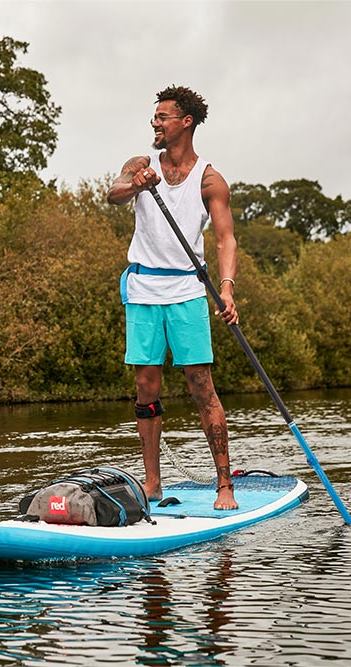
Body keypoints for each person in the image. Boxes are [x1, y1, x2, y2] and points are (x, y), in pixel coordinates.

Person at [107, 85, 239, 510]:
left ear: (185, 122)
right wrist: (137, 185)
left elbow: (225, 240)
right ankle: (152, 484)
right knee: (145, 386)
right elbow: (114, 193)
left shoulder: (211, 179)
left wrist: (226, 287)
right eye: (154, 117)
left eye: (162, 117)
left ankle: (224, 486)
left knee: (201, 386)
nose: (155, 123)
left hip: (186, 289)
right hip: (143, 289)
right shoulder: (141, 164)